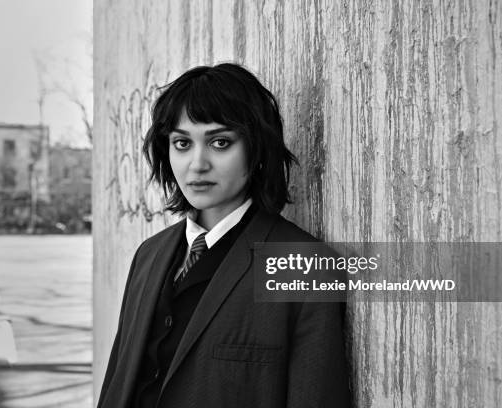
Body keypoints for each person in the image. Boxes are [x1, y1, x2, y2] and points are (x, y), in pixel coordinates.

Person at [97, 63, 350, 408]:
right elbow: (118, 382)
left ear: (256, 148)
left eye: (220, 142)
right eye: (182, 143)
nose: (197, 164)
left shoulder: (304, 266)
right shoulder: (149, 254)